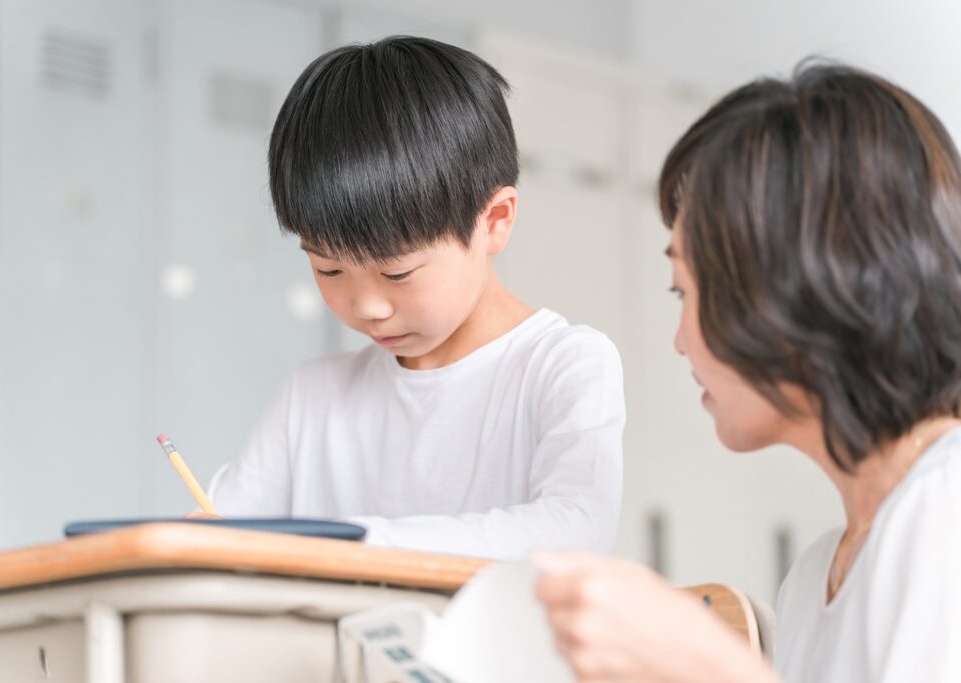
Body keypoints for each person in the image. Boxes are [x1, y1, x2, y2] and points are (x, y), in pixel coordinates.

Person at [535, 63, 961, 682]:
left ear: (793, 286)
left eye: (684, 291)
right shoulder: (814, 580)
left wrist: (708, 665)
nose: (680, 342)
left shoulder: (944, 512)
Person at [206, 36, 625, 559]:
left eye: (397, 272)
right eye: (328, 268)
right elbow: (218, 541)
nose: (367, 307)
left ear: (494, 221)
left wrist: (350, 544)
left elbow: (576, 529)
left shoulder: (561, 365)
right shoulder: (312, 398)